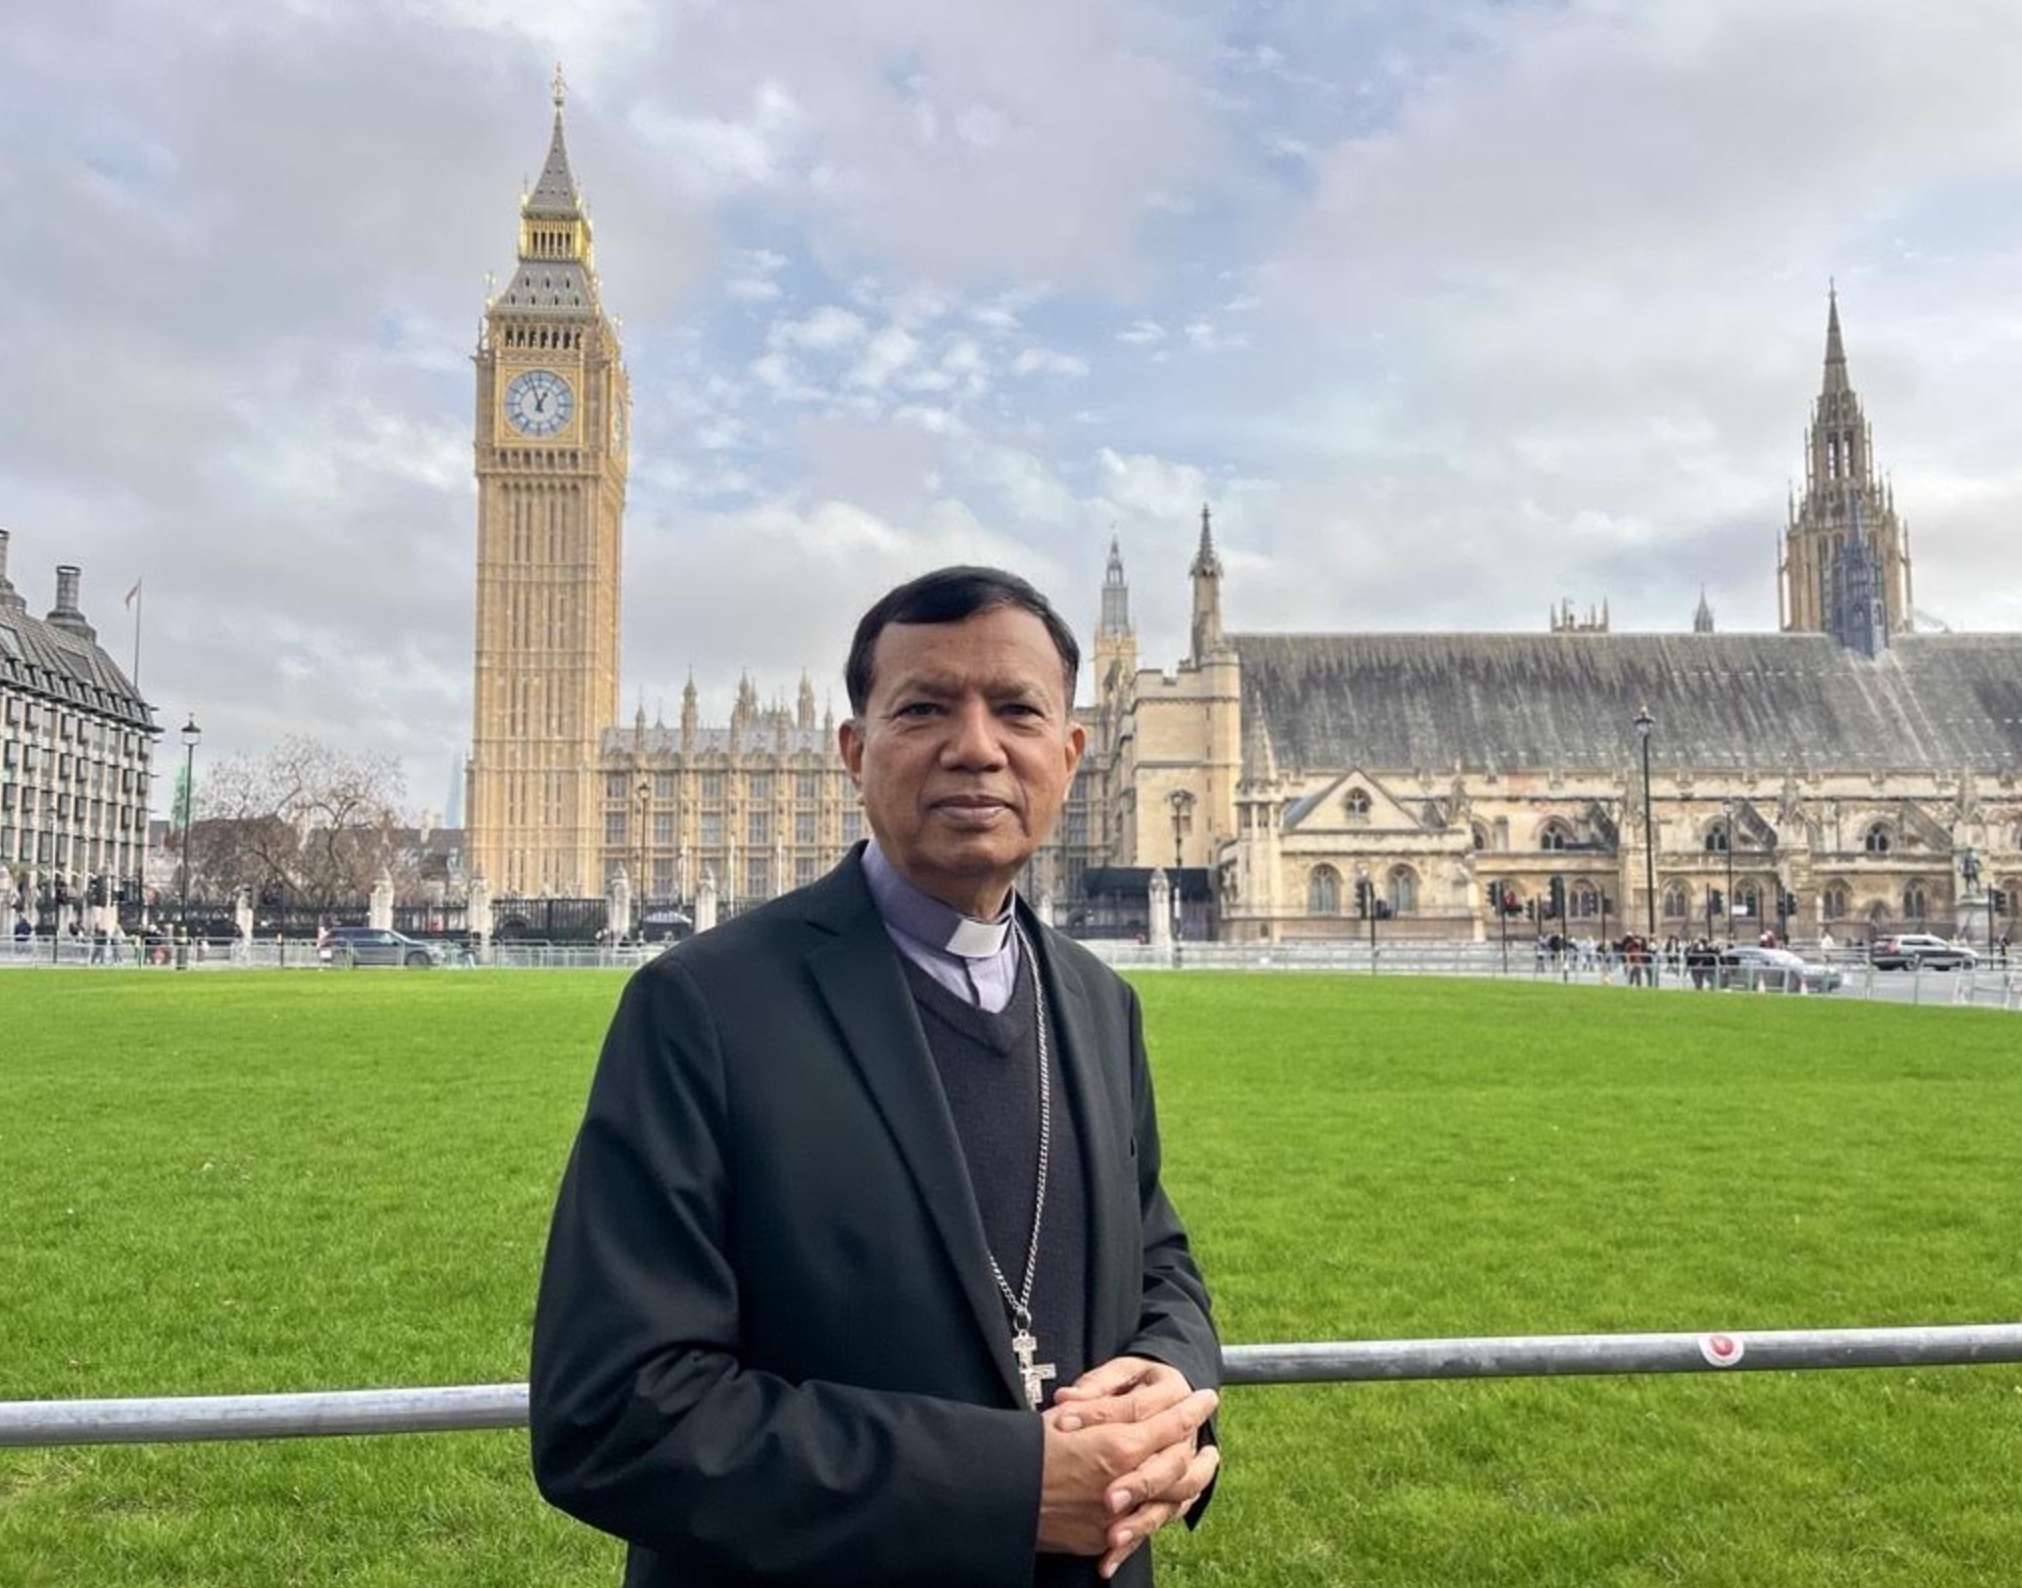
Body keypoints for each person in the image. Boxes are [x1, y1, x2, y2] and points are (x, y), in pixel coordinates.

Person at [530, 567, 1221, 1587]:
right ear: (852, 751)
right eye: (925, 708)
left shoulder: (1098, 1003)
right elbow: (614, 1410)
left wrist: (1175, 1377)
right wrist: (1009, 1488)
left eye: (1018, 710)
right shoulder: (703, 1008)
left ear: (1071, 756)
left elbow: (1156, 1254)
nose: (976, 747)